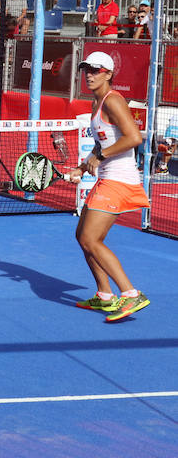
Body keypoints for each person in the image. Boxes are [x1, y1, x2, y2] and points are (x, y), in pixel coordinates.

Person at [65, 51, 150, 321]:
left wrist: (100, 157)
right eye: (86, 69)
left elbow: (134, 137)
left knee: (91, 239)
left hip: (119, 180)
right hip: (106, 178)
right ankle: (104, 295)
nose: (89, 74)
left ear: (109, 74)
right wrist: (82, 166)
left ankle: (130, 294)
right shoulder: (96, 103)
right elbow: (102, 142)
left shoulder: (113, 100)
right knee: (83, 237)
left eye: (96, 70)